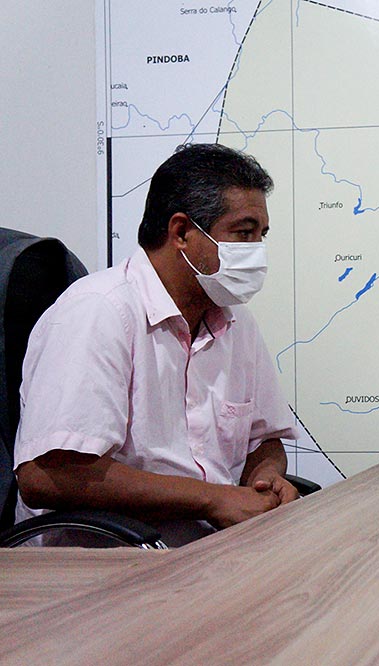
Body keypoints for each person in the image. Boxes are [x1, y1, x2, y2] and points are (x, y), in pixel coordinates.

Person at [14, 143, 299, 547]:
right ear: (181, 232)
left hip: (209, 553)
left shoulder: (235, 321)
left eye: (261, 236)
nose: (256, 252)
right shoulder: (98, 312)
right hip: (108, 566)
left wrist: (264, 481)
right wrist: (212, 499)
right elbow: (47, 476)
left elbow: (263, 440)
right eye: (243, 233)